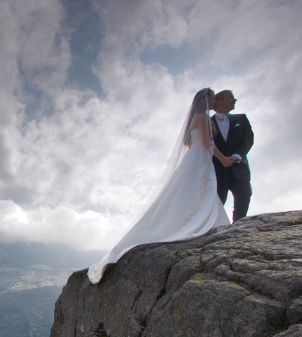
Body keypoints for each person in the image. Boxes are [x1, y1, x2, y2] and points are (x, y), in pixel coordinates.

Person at [88, 88, 232, 284]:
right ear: (205, 100)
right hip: (201, 158)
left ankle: (199, 220)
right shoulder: (203, 117)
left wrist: (199, 151)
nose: (214, 100)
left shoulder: (194, 117)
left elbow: (187, 142)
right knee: (202, 189)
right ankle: (205, 221)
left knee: (194, 190)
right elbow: (208, 144)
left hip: (194, 157)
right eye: (211, 97)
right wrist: (224, 159)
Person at [211, 90, 254, 222]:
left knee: (244, 196)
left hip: (239, 168)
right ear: (219, 101)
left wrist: (236, 156)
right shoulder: (207, 122)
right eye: (231, 98)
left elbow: (248, 140)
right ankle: (212, 228)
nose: (235, 100)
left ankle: (238, 229)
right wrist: (222, 159)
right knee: (217, 203)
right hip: (218, 171)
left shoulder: (241, 118)